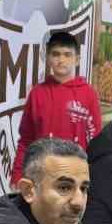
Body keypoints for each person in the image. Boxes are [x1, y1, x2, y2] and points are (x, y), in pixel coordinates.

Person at [10, 31, 103, 187]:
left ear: (77, 59)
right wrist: (17, 177)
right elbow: (26, 141)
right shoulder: (36, 93)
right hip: (41, 177)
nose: (61, 60)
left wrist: (96, 181)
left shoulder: (89, 94)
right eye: (56, 54)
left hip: (77, 179)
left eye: (67, 55)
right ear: (48, 58)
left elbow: (97, 143)